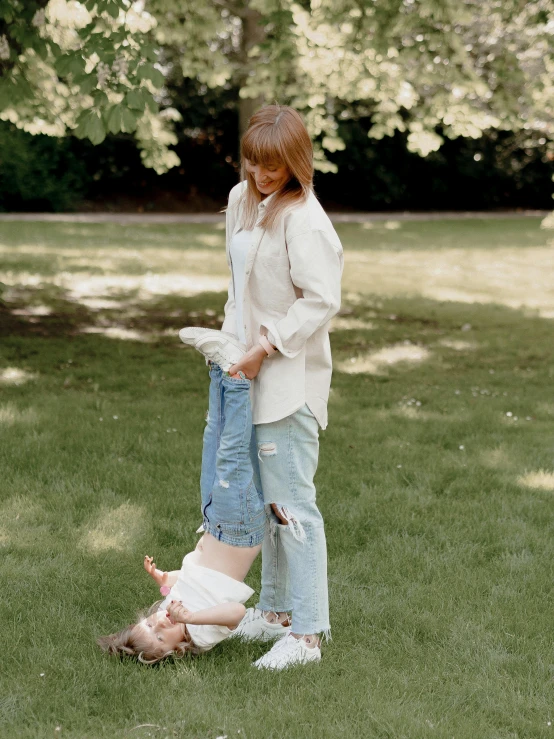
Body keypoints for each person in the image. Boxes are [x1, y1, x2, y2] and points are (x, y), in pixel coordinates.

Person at [180, 104, 344, 669]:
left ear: (296, 163)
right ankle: (274, 613)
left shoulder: (307, 220)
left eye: (273, 167)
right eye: (254, 163)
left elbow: (320, 301)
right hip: (243, 373)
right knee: (261, 499)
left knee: (290, 505)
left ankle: (308, 633)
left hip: (287, 379)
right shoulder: (240, 200)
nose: (261, 175)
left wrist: (262, 348)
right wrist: (230, 349)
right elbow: (237, 286)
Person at [97, 363, 268, 663]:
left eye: (150, 624)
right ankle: (239, 379)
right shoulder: (199, 633)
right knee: (231, 454)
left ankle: (221, 371)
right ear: (176, 650)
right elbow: (237, 613)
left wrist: (164, 577)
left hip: (214, 523)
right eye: (160, 636)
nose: (160, 623)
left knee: (212, 440)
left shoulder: (170, 609)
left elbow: (190, 582)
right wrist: (193, 617)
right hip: (237, 530)